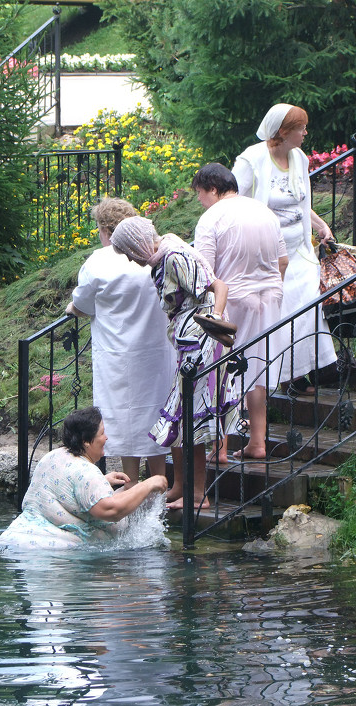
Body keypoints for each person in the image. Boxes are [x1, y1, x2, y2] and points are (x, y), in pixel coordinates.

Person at [109, 215, 237, 510]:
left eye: (129, 253)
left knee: (192, 415)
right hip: (189, 344)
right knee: (185, 416)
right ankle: (183, 487)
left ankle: (197, 494)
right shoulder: (163, 257)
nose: (130, 260)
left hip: (202, 345)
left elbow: (219, 287)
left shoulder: (174, 256)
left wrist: (214, 321)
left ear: (137, 245)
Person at [65, 197, 175, 489]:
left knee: (125, 417)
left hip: (118, 354)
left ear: (104, 230)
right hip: (156, 350)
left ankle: (131, 484)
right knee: (155, 411)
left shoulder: (98, 262)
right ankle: (159, 479)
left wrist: (72, 310)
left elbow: (82, 303)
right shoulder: (153, 255)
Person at [231, 103, 337, 395]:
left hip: (299, 252)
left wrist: (318, 224)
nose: (305, 132)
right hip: (267, 256)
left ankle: (299, 373)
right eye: (301, 128)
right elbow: (231, 202)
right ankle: (276, 375)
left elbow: (300, 200)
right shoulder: (252, 159)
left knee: (306, 312)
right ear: (283, 132)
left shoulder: (299, 157)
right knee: (281, 314)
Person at [192, 163, 288, 461]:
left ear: (213, 189)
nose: (199, 201)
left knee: (223, 370)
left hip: (233, 299)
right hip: (269, 296)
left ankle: (219, 447)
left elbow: (205, 270)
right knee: (258, 368)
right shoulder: (264, 211)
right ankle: (257, 442)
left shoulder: (212, 217)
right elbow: (283, 260)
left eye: (200, 193)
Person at [0, 406, 168, 549]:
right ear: (87, 441)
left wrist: (103, 481)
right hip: (55, 555)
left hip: (15, 541)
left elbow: (64, 487)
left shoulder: (52, 456)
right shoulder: (87, 473)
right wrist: (149, 484)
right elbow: (111, 511)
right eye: (102, 433)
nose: (106, 437)